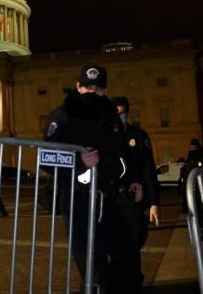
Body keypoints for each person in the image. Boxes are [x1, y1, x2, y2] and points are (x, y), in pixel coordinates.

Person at [43, 64, 143, 294]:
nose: (91, 93)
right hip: (78, 200)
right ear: (78, 87)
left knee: (128, 258)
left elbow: (120, 154)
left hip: (108, 199)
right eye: (86, 87)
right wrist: (79, 162)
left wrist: (133, 180)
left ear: (105, 91)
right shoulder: (62, 115)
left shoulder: (110, 117)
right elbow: (46, 158)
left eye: (97, 89)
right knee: (93, 269)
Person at [112, 96, 160, 252]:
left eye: (123, 113)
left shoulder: (139, 136)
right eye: (116, 113)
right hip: (111, 199)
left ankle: (131, 274)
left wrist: (154, 202)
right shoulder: (105, 136)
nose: (120, 116)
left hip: (133, 197)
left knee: (134, 242)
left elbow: (149, 169)